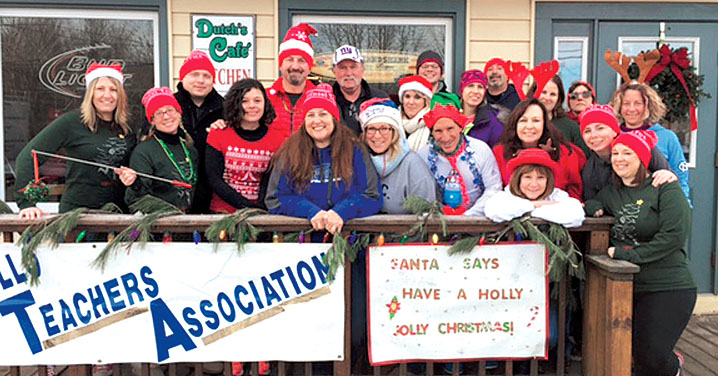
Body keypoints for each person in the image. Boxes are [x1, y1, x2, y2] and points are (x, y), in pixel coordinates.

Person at [585, 130, 696, 376]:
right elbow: (593, 202)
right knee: (632, 355)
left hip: (667, 285)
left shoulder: (665, 188)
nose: (619, 158)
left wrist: (628, 254)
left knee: (653, 356)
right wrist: (594, 207)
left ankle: (674, 368)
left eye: (628, 153)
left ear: (643, 158)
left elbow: (673, 238)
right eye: (615, 153)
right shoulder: (611, 192)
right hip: (627, 287)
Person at [15, 63, 136, 218]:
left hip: (119, 214)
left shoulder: (127, 127)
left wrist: (132, 176)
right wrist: (26, 204)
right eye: (100, 89)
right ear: (90, 93)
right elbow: (28, 157)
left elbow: (134, 166)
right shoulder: (71, 122)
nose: (107, 95)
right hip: (78, 215)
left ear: (120, 95)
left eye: (113, 90)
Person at [265, 83, 382, 234]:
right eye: (310, 115)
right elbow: (275, 199)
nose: (317, 120)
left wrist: (342, 211)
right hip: (303, 241)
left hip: (348, 239)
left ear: (334, 118)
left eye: (323, 114)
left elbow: (372, 195)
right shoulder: (290, 151)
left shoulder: (355, 150)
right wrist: (310, 211)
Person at [206, 79, 284, 214]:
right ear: (235, 104)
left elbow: (271, 181)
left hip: (262, 213)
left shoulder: (278, 139)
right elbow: (214, 179)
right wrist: (247, 207)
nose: (252, 106)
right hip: (224, 213)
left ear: (265, 103)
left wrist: (259, 210)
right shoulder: (219, 133)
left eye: (257, 100)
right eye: (244, 101)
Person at [611, 81, 691, 203]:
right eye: (626, 104)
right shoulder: (613, 136)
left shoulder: (667, 137)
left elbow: (681, 177)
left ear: (648, 106)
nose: (631, 109)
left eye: (638, 103)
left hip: (659, 205)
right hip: (623, 205)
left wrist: (683, 205)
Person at [417, 103, 502, 216]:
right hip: (439, 222)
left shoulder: (480, 149)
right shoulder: (423, 155)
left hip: (477, 221)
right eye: (438, 131)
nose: (446, 137)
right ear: (432, 133)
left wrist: (469, 216)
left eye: (450, 129)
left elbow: (493, 188)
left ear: (460, 128)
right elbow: (422, 194)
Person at [493, 98, 586, 201]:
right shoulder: (500, 153)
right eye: (523, 120)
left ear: (545, 124)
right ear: (515, 124)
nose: (529, 126)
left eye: (536, 120)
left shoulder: (564, 153)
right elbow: (495, 191)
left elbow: (574, 190)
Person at [579, 104, 677, 201]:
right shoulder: (590, 171)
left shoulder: (639, 146)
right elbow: (592, 202)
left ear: (614, 131)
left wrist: (667, 175)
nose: (593, 135)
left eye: (600, 128)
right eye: (587, 131)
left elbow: (669, 178)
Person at [359, 98, 436, 214]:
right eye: (371, 129)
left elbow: (426, 212)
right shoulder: (358, 161)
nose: (377, 135)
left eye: (384, 128)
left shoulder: (412, 164)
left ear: (395, 132)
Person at [126, 87, 198, 211]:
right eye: (158, 113)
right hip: (160, 222)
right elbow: (137, 199)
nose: (166, 117)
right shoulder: (144, 152)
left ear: (179, 113)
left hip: (190, 222)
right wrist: (135, 184)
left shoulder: (190, 148)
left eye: (170, 110)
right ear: (152, 121)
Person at [174, 50, 224, 213]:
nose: (201, 80)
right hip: (175, 193)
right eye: (194, 74)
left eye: (206, 76)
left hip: (212, 192)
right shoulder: (169, 106)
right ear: (183, 78)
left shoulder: (225, 108)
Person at [485, 148, 584, 227]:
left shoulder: (556, 195)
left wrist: (529, 211)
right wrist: (534, 204)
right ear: (518, 179)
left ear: (548, 180)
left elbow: (576, 215)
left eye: (540, 178)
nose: (534, 184)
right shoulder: (506, 195)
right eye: (528, 177)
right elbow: (493, 211)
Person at [267, 23, 317, 140]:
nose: (295, 66)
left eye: (301, 61)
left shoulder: (320, 99)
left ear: (309, 67)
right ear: (280, 65)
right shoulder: (265, 99)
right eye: (289, 60)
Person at [331, 45, 388, 135]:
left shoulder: (380, 99)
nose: (349, 73)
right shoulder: (327, 101)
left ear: (362, 68)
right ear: (334, 71)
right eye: (342, 68)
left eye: (353, 67)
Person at [528, 75, 590, 156]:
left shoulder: (570, 127)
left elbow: (585, 158)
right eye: (543, 92)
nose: (547, 98)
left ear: (559, 98)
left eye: (553, 94)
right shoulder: (520, 122)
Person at [459, 69, 504, 147]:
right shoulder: (449, 116)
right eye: (470, 86)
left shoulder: (494, 122)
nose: (475, 91)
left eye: (480, 87)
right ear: (462, 90)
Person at [397, 75, 433, 151]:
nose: (411, 102)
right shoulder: (393, 123)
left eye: (417, 97)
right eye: (407, 96)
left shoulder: (434, 125)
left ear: (425, 101)